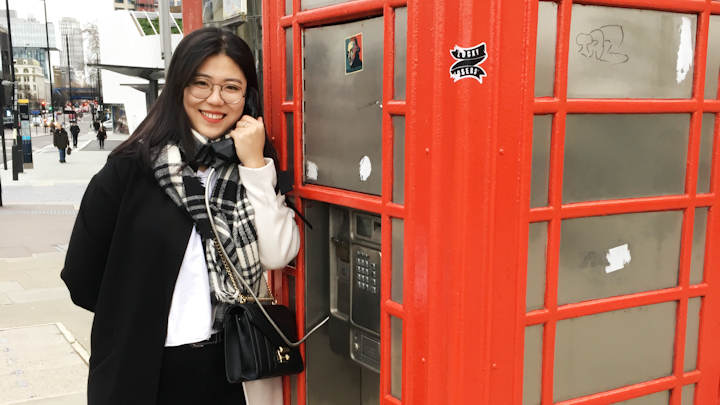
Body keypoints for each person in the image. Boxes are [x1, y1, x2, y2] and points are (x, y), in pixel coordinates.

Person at [61, 27, 299, 405]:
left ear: (247, 96)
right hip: (146, 372)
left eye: (231, 87)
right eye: (200, 83)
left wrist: (255, 165)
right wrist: (136, 315)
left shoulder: (250, 168)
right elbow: (81, 275)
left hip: (235, 370)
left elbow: (277, 254)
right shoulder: (129, 170)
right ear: (179, 89)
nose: (215, 99)